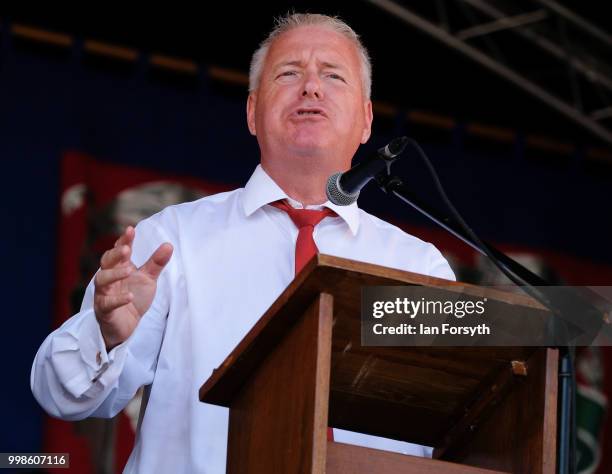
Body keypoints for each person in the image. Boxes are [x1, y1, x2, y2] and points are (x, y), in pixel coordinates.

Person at [31, 13, 455, 473]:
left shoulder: (419, 268)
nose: (311, 87)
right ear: (252, 112)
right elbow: (61, 394)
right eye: (289, 73)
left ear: (367, 120)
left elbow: (461, 417)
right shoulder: (173, 241)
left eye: (332, 75)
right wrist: (106, 333)